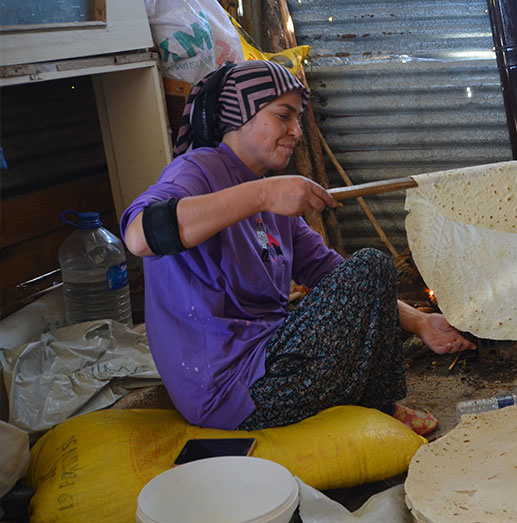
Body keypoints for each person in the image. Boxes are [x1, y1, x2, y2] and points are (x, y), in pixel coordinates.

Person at [121, 60, 474, 434]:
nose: (296, 132)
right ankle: (375, 405)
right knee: (372, 264)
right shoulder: (198, 171)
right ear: (241, 113)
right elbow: (139, 237)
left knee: (368, 272)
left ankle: (373, 405)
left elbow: (336, 275)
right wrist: (262, 194)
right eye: (283, 116)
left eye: (298, 119)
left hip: (272, 364)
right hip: (228, 391)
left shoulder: (272, 198)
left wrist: (421, 324)